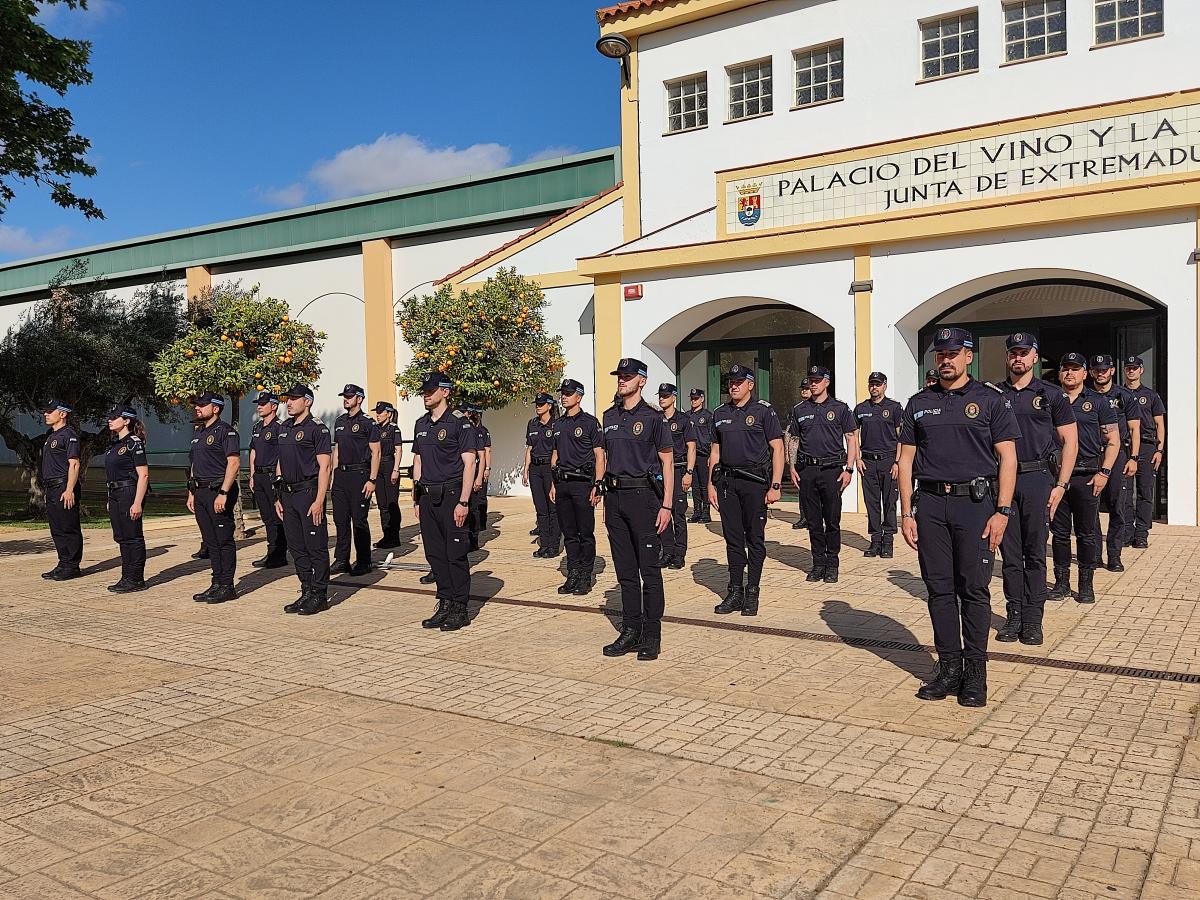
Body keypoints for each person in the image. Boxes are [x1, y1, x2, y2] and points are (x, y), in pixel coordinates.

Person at [898, 327, 1019, 708]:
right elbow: (904, 461)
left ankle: (975, 674)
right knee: (939, 590)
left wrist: (1002, 511)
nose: (945, 360)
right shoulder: (918, 403)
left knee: (974, 590)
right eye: (940, 354)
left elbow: (1009, 459)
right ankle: (949, 668)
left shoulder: (990, 400)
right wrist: (905, 513)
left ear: (969, 355)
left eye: (953, 353)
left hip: (975, 506)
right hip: (931, 506)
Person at [995, 334, 1078, 645]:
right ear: (1008, 357)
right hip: (1003, 482)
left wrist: (1061, 485)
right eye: (1013, 353)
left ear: (1034, 358)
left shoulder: (1051, 394)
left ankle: (1033, 620)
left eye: (1024, 353)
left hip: (1037, 479)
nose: (1018, 358)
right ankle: (1013, 615)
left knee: (1035, 554)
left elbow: (1070, 441)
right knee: (1010, 554)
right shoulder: (993, 395)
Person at [601, 357, 673, 660]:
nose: (622, 380)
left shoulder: (654, 418)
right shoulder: (608, 416)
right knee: (626, 572)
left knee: (649, 571)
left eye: (628, 376)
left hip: (644, 499)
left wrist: (667, 504)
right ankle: (630, 630)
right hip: (614, 499)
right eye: (620, 375)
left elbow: (667, 462)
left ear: (642, 381)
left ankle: (651, 634)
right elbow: (604, 458)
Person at [709, 364, 785, 616]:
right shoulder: (720, 413)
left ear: (750, 384)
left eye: (739, 381)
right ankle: (735, 591)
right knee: (733, 539)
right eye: (731, 381)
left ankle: (752, 590)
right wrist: (711, 485)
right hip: (728, 484)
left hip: (755, 483)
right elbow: (715, 452)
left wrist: (775, 485)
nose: (733, 385)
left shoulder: (763, 411)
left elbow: (778, 449)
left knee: (755, 539)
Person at [1049, 354, 1120, 603]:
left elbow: (1113, 441)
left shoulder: (1098, 402)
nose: (1070, 373)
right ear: (1059, 374)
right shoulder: (1049, 401)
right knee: (1058, 533)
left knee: (1086, 533)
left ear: (1085, 373)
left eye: (1075, 369)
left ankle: (1086, 584)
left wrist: (1105, 472)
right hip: (1056, 478)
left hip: (1087, 476)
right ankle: (1061, 583)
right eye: (1065, 369)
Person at [412, 371, 478, 631]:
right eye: (424, 392)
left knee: (455, 554)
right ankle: (445, 601)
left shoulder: (459, 423)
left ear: (446, 391)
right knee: (435, 554)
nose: (426, 395)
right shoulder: (421, 424)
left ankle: (460, 607)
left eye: (431, 390)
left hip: (452, 496)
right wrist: (417, 499)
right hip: (428, 496)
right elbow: (418, 461)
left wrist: (464, 501)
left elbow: (470, 462)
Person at [787, 365, 859, 583]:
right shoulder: (800, 409)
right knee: (813, 520)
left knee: (832, 520)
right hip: (807, 471)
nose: (813, 383)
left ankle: (832, 564)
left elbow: (851, 438)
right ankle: (818, 563)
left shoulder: (840, 408)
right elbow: (793, 440)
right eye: (811, 379)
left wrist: (849, 469)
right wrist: (791, 467)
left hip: (832, 471)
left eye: (818, 380)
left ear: (827, 382)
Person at [274, 385, 333, 615]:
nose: (289, 403)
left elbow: (325, 467)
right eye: (287, 399)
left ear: (307, 402)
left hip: (308, 493)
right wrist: (278, 496)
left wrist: (320, 500)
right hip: (288, 495)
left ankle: (319, 594)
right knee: (296, 546)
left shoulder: (317, 429)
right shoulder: (284, 428)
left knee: (315, 546)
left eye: (294, 399)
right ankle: (306, 590)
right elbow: (280, 462)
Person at [550, 378, 605, 595]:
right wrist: (553, 483)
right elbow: (554, 454)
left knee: (585, 532)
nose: (564, 396)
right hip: (563, 484)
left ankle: (585, 575)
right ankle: (572, 573)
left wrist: (598, 485)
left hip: (583, 484)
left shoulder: (591, 423)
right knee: (569, 533)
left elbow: (600, 457)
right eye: (563, 393)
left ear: (579, 396)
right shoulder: (558, 424)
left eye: (568, 393)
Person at [187, 392, 241, 603]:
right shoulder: (199, 433)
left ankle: (227, 586)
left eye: (202, 405)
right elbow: (194, 465)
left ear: (216, 408)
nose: (197, 408)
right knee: (210, 541)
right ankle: (216, 582)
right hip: (200, 492)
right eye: (197, 405)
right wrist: (191, 491)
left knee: (223, 540)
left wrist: (224, 493)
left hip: (217, 491)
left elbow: (233, 463)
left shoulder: (225, 432)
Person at [1089, 355, 1139, 571]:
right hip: (1092, 454)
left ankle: (1114, 555)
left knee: (1117, 507)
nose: (1101, 373)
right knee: (1090, 508)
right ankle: (1094, 555)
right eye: (1097, 370)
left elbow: (1134, 429)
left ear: (1111, 371)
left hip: (1117, 455)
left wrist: (1134, 458)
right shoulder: (1085, 396)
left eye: (1104, 369)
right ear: (1091, 372)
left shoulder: (1123, 396)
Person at [331, 384, 381, 575]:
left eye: (350, 396)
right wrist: (334, 475)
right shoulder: (340, 421)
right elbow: (337, 450)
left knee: (359, 520)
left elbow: (376, 452)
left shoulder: (368, 422)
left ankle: (364, 561)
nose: (346, 399)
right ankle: (341, 559)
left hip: (360, 475)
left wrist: (372, 479)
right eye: (345, 396)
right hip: (342, 476)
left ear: (359, 399)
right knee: (340, 520)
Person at [854, 372, 903, 558]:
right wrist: (858, 458)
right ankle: (875, 540)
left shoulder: (894, 407)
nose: (874, 387)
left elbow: (901, 437)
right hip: (867, 462)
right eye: (872, 384)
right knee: (871, 503)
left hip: (889, 461)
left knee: (889, 502)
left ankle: (888, 541)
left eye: (878, 384)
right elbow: (854, 435)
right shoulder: (861, 408)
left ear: (885, 386)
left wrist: (898, 462)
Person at [103, 402, 150, 593]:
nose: (110, 420)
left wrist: (137, 502)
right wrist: (110, 498)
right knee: (121, 537)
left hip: (129, 492)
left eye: (114, 417)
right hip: (115, 493)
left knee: (133, 536)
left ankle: (136, 578)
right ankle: (126, 576)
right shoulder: (115, 444)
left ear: (127, 420)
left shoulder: (134, 443)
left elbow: (143, 475)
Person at [1122, 356, 1164, 548]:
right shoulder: (1118, 394)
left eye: (1134, 368)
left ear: (1141, 370)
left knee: (1145, 491)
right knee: (1125, 492)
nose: (1131, 371)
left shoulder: (1151, 395)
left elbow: (1159, 425)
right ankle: (1127, 532)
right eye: (1128, 368)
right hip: (1126, 446)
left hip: (1147, 446)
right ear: (1124, 371)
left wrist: (1160, 450)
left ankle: (1141, 534)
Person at [40, 399, 82, 581]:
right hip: (51, 487)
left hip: (64, 486)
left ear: (63, 414)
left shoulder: (69, 434)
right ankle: (63, 562)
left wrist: (69, 489)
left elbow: (74, 464)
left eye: (50, 411)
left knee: (68, 527)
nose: (46, 414)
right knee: (56, 528)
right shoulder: (50, 435)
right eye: (46, 411)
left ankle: (72, 565)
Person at [657, 383, 696, 570]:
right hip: (660, 473)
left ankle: (679, 555)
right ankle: (667, 552)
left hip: (679, 469)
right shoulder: (656, 419)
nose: (662, 399)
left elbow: (691, 447)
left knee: (678, 514)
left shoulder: (683, 420)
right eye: (660, 396)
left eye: (665, 396)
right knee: (663, 513)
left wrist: (689, 472)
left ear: (674, 397)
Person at [248, 391, 289, 568]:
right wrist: (252, 474)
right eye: (259, 403)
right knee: (266, 517)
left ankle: (278, 554)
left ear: (273, 406)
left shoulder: (280, 427)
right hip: (259, 475)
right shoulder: (257, 427)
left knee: (276, 516)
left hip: (273, 475)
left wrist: (279, 477)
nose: (259, 406)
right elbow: (253, 451)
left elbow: (283, 454)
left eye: (263, 404)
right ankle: (272, 551)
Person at [524, 393, 561, 558]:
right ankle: (544, 544)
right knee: (541, 509)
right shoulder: (532, 424)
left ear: (549, 406)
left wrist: (555, 473)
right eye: (536, 403)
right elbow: (529, 449)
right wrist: (525, 470)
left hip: (549, 468)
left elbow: (558, 450)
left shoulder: (557, 425)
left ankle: (553, 546)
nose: (538, 406)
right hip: (535, 469)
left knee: (552, 508)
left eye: (541, 403)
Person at [372, 401, 404, 550]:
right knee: (382, 504)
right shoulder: (375, 429)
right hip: (378, 467)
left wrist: (396, 469)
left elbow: (398, 450)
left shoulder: (393, 429)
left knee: (391, 503)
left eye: (380, 412)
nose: (377, 415)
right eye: (376, 413)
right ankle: (386, 535)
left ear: (389, 413)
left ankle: (394, 536)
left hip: (389, 464)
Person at [465, 403, 491, 551]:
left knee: (474, 505)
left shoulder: (478, 432)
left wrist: (482, 473)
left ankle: (473, 539)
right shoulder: (460, 431)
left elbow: (484, 453)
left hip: (474, 471)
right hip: (461, 473)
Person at [687, 388, 713, 523]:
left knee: (704, 485)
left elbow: (713, 437)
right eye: (691, 398)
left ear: (702, 399)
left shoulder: (708, 416)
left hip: (704, 454)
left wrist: (711, 456)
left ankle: (706, 513)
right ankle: (696, 512)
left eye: (696, 398)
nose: (693, 400)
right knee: (695, 486)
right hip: (691, 456)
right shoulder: (687, 416)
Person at [791, 378, 813, 530]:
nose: (804, 391)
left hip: (816, 456)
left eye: (806, 388)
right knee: (803, 490)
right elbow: (791, 434)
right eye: (802, 388)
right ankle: (804, 517)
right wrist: (789, 457)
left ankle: (814, 517)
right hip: (801, 456)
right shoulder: (797, 409)